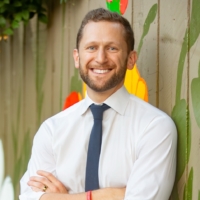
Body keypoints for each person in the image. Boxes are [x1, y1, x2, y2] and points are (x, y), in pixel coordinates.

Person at [19, 8, 177, 200]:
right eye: (91, 47)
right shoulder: (52, 131)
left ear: (130, 59)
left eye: (112, 48)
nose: (101, 58)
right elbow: (29, 196)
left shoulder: (154, 127)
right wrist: (110, 195)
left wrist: (63, 197)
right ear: (77, 57)